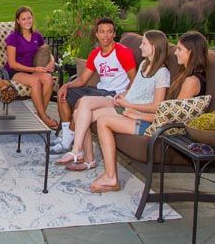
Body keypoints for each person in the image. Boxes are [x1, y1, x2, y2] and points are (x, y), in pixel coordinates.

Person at [90, 31, 208, 193]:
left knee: (104, 120)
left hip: (163, 131)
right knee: (102, 117)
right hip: (158, 123)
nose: (175, 52)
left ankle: (111, 177)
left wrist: (138, 115)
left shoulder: (191, 82)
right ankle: (108, 174)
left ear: (191, 52)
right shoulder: (186, 76)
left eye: (180, 49)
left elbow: (172, 119)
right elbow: (167, 111)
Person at [56, 30, 170, 171]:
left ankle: (76, 151)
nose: (140, 47)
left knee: (82, 110)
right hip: (124, 102)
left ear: (154, 47)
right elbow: (136, 89)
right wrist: (123, 94)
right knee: (80, 110)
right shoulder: (144, 65)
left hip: (131, 110)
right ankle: (86, 158)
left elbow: (156, 107)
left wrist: (127, 104)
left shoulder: (162, 73)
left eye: (144, 43)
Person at [52, 17, 137, 154]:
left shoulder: (123, 52)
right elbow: (83, 79)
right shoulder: (95, 54)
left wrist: (125, 96)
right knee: (64, 95)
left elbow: (135, 79)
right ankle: (68, 136)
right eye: (102, 32)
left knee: (81, 102)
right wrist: (66, 86)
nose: (106, 35)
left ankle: (67, 142)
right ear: (96, 34)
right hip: (99, 90)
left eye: (109, 32)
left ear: (114, 33)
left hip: (113, 94)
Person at [4, 6, 58, 128]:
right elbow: (12, 64)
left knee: (49, 79)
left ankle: (39, 116)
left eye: (29, 18)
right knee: (35, 82)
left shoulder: (36, 36)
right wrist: (34, 70)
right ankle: (44, 118)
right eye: (23, 19)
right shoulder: (13, 37)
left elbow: (46, 51)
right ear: (18, 21)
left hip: (32, 69)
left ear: (32, 18)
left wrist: (52, 61)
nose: (27, 21)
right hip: (14, 71)